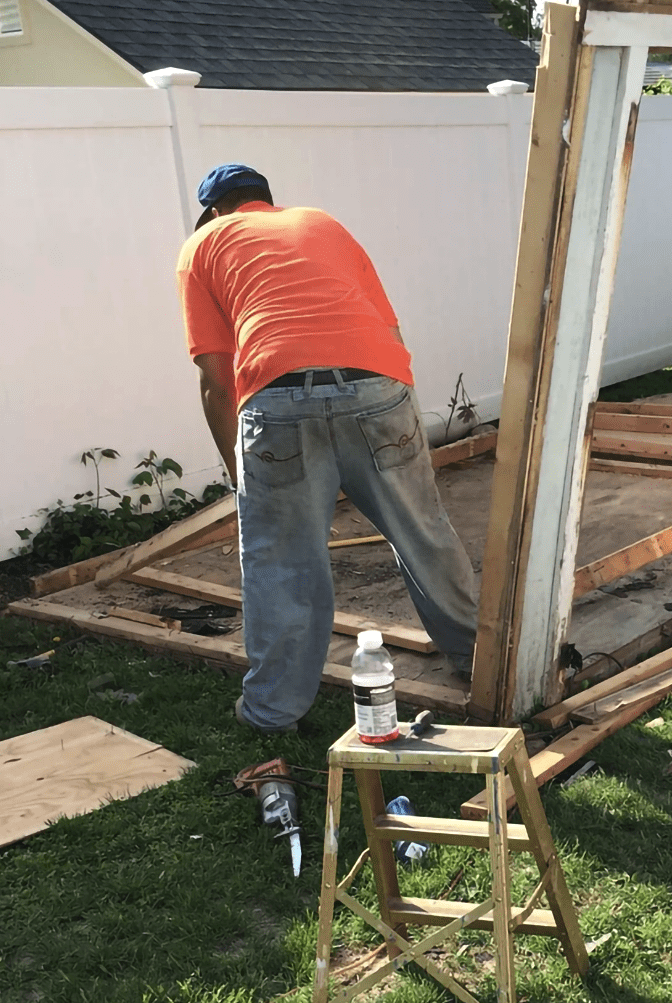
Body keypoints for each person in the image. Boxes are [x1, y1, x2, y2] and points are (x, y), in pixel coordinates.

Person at [176, 163, 477, 732]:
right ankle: (479, 662)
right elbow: (388, 328)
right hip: (377, 387)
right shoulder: (322, 223)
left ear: (215, 211)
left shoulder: (203, 245)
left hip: (277, 398)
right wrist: (394, 411)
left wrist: (239, 470)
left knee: (283, 561)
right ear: (267, 200)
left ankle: (271, 712)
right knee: (424, 531)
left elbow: (217, 377)